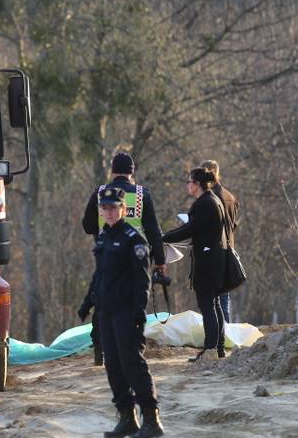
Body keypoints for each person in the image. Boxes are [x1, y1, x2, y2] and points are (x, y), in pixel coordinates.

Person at [85, 185, 163, 438]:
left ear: (123, 209)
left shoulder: (134, 239)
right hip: (106, 311)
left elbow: (143, 280)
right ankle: (127, 418)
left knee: (131, 364)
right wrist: (88, 301)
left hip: (126, 311)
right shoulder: (104, 237)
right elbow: (100, 275)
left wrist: (140, 311)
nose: (108, 212)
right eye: (104, 208)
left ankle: (151, 419)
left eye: (113, 208)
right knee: (114, 366)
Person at [81, 151, 166, 366]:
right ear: (132, 172)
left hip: (108, 256)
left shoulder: (100, 193)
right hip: (135, 257)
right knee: (135, 298)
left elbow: (87, 225)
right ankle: (132, 346)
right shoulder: (141, 195)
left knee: (103, 300)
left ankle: (100, 349)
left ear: (112, 170)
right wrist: (160, 260)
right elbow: (154, 231)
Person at [161, 168, 228, 362]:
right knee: (214, 304)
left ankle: (211, 348)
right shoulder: (212, 200)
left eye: (189, 181)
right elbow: (191, 228)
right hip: (214, 259)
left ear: (197, 183)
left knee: (207, 304)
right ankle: (218, 348)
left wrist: (163, 237)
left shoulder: (205, 203)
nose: (187, 185)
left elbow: (189, 229)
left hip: (207, 262)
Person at [199, 159, 239, 323]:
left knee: (211, 302)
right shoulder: (230, 196)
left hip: (213, 251)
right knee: (223, 300)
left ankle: (216, 339)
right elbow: (233, 224)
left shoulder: (209, 198)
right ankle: (226, 336)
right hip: (229, 250)